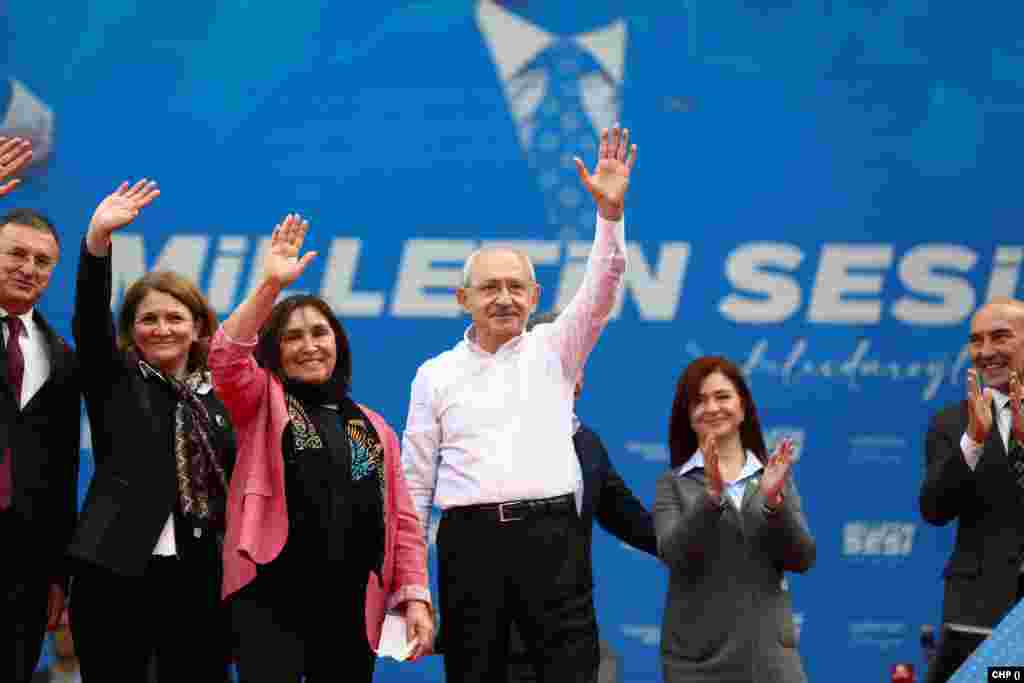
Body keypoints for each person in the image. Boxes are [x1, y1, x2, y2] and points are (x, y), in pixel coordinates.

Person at [402, 124, 636, 683]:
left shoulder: (558, 348)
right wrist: (413, 588)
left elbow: (604, 285)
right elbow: (413, 487)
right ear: (464, 300)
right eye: (490, 288)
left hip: (553, 542)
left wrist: (610, 214)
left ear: (534, 298)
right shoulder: (434, 375)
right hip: (469, 547)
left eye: (516, 287)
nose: (504, 298)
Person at [209, 214, 433, 683]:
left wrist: (414, 596)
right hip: (271, 600)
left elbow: (405, 523)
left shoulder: (372, 426)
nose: (309, 346)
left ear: (339, 344)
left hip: (353, 605)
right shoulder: (260, 401)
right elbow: (227, 355)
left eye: (320, 333)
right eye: (292, 336)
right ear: (274, 349)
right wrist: (270, 285)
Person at [68, 180, 235, 681]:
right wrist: (98, 239)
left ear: (198, 326)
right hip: (113, 572)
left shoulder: (223, 397)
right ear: (130, 330)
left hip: (200, 576)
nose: (161, 328)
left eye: (174, 317)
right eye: (148, 319)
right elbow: (90, 320)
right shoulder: (113, 379)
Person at [503, 310, 657, 683]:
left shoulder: (587, 445)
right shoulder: (488, 438)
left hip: (570, 644)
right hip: (501, 645)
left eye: (576, 359)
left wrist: (709, 540)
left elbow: (637, 524)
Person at [654, 355, 815, 683]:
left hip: (772, 663)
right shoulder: (672, 484)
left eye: (722, 396)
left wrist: (773, 503)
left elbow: (802, 558)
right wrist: (711, 497)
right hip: (697, 666)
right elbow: (673, 554)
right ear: (688, 416)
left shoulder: (774, 478)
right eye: (699, 400)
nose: (712, 407)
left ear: (742, 408)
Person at [1, 137, 81, 683]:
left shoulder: (61, 357)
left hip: (23, 572)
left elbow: (61, 470)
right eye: (16, 254)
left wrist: (57, 574)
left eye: (43, 261)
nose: (29, 268)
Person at [919, 298, 1024, 682]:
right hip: (979, 608)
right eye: (976, 341)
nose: (986, 352)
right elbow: (934, 509)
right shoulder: (951, 422)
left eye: (1000, 337)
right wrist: (973, 443)